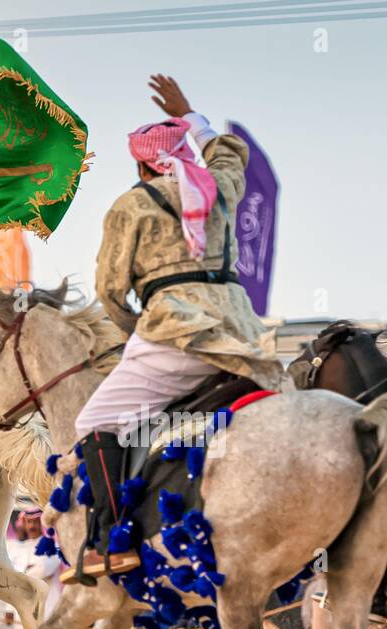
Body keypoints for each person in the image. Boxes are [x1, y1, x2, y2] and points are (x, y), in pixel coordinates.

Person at [66, 74, 285, 584]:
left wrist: (131, 335)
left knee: (94, 421)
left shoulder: (132, 204)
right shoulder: (222, 188)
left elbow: (110, 291)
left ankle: (111, 540)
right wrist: (193, 118)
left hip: (173, 333)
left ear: (142, 164)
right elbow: (231, 156)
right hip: (241, 336)